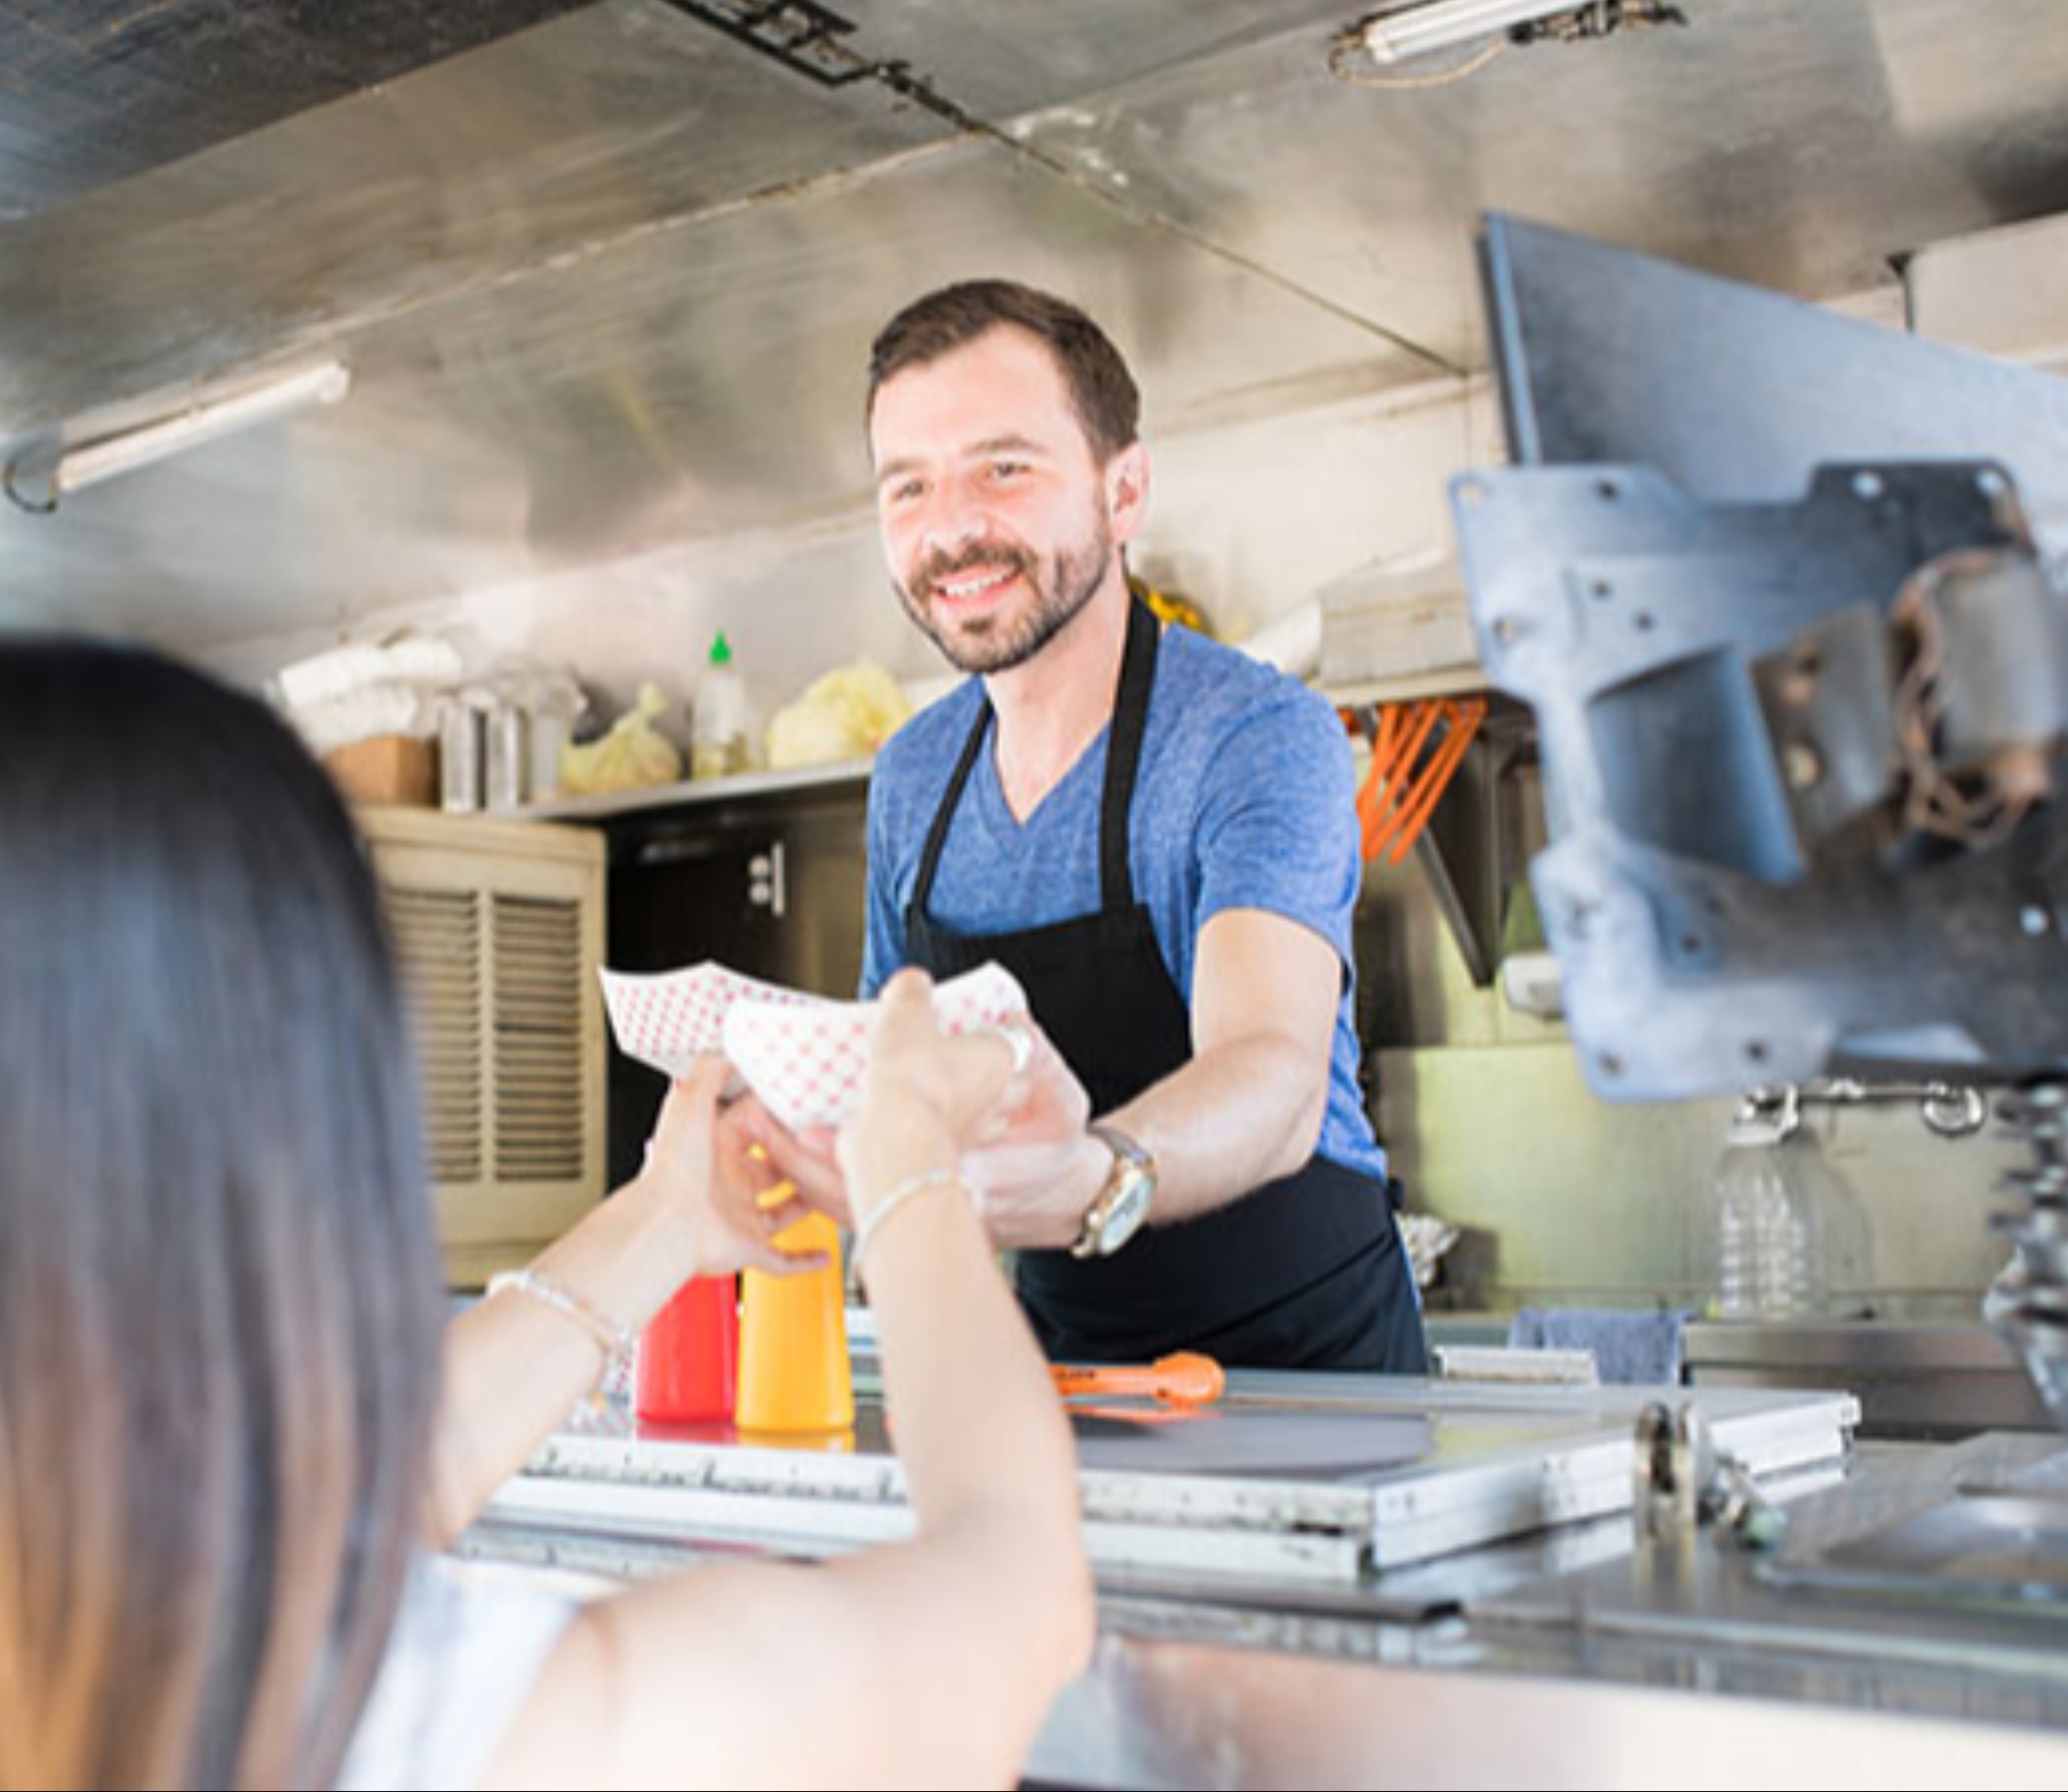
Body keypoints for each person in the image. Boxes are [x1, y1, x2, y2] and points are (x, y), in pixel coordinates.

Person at [0, 637, 1092, 1791]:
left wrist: (668, 1219)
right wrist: (911, 1167)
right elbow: (1020, 1593)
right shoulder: (429, 1716)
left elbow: (362, 1485)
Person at [744, 279, 1428, 1373]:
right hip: (1061, 1373)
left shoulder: (1253, 732)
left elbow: (1274, 1072)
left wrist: (1093, 1173)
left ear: (1124, 491)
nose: (953, 527)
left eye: (1003, 468)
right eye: (908, 485)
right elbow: (899, 1093)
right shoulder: (914, 780)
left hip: (1305, 1372)